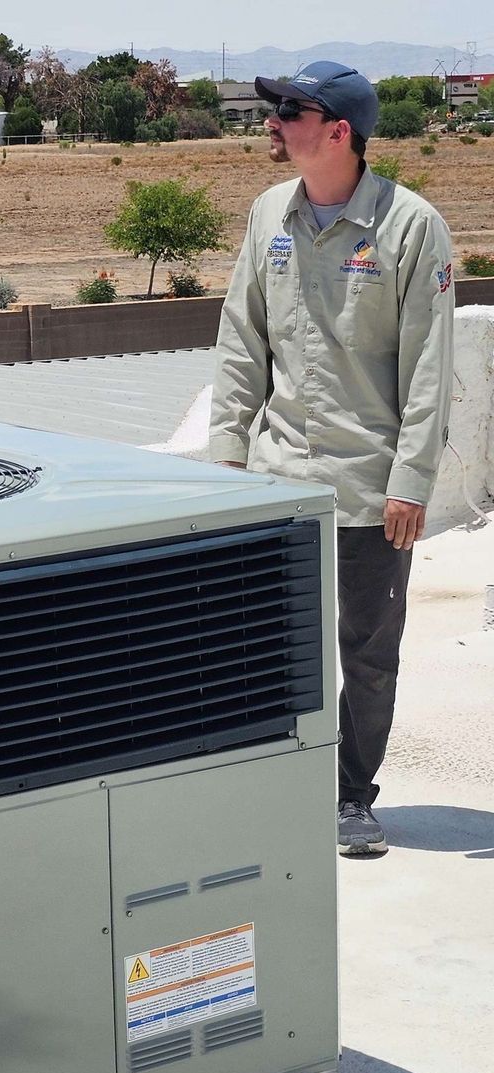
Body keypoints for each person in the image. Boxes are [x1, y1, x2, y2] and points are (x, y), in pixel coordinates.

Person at [209, 61, 454, 859]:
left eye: (291, 110)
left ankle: (352, 795)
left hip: (369, 488)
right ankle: (273, 781)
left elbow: (427, 367)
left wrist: (410, 482)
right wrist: (225, 458)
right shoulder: (266, 216)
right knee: (266, 644)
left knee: (367, 652)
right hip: (279, 480)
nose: (273, 121)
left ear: (339, 131)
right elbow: (241, 344)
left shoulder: (411, 227)